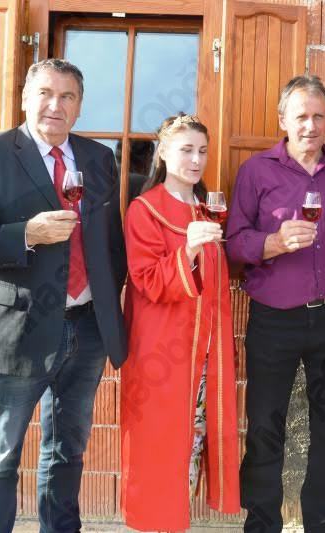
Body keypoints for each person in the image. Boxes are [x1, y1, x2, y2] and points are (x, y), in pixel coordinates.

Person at [0, 58, 128, 531]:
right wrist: (26, 234)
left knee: (68, 451)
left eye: (67, 96)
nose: (56, 105)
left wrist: (108, 304)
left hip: (87, 328)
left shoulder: (98, 157)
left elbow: (110, 240)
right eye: (45, 94)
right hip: (19, 329)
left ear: (79, 106)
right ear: (24, 99)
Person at [227, 74, 325, 533]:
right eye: (301, 116)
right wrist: (274, 243)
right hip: (274, 318)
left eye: (319, 116)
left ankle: (322, 524)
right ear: (283, 119)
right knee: (266, 426)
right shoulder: (256, 171)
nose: (310, 125)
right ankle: (262, 524)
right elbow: (234, 242)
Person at [120, 113, 240, 530]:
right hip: (162, 351)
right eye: (186, 150)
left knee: (193, 442)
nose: (196, 160)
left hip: (206, 350)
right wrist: (186, 251)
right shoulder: (145, 210)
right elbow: (147, 280)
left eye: (202, 151)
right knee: (160, 443)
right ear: (164, 153)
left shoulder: (208, 209)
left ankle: (176, 523)